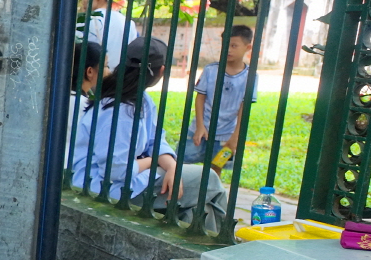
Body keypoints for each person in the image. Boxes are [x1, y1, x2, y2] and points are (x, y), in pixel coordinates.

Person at [69, 39, 226, 232]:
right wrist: (152, 162)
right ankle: (227, 249)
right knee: (208, 178)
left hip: (134, 179)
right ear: (161, 71)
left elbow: (155, 138)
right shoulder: (120, 110)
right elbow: (116, 172)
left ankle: (208, 256)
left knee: (197, 211)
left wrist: (172, 167)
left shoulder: (141, 99)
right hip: (104, 189)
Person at [184, 24, 255, 169]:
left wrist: (235, 136)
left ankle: (210, 192)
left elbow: (244, 107)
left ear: (248, 48)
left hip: (227, 134)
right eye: (225, 45)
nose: (228, 49)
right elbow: (200, 97)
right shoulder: (211, 70)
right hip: (201, 129)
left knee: (216, 168)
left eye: (234, 45)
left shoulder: (250, 76)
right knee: (182, 163)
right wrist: (199, 126)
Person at [77, 0, 140, 70]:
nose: (83, 2)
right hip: (118, 80)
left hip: (91, 78)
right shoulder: (129, 23)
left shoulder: (87, 20)